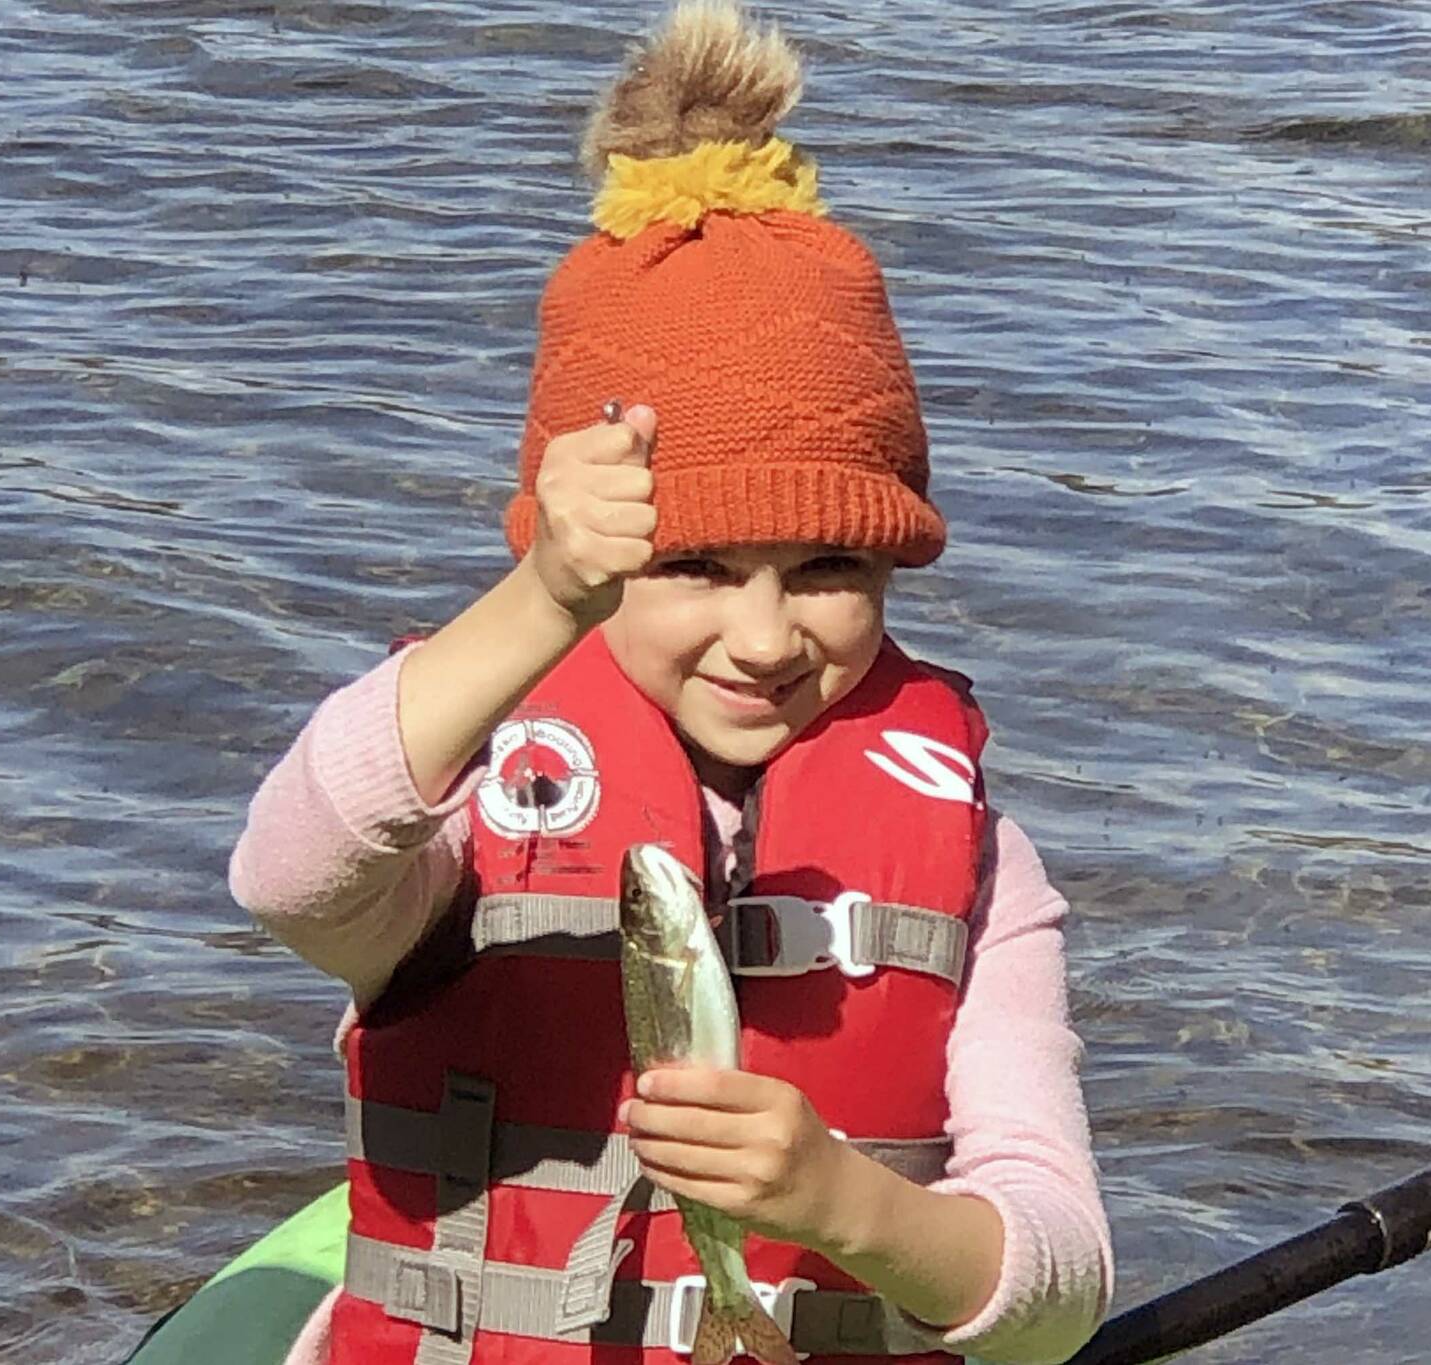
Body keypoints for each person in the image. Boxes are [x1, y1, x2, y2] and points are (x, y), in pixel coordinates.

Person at [229, 3, 1114, 1361]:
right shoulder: (463, 794)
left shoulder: (986, 864)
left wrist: (848, 1201)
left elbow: (1055, 1299)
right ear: (598, 562)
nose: (763, 638)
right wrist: (539, 600)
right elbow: (291, 874)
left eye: (829, 567)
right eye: (695, 566)